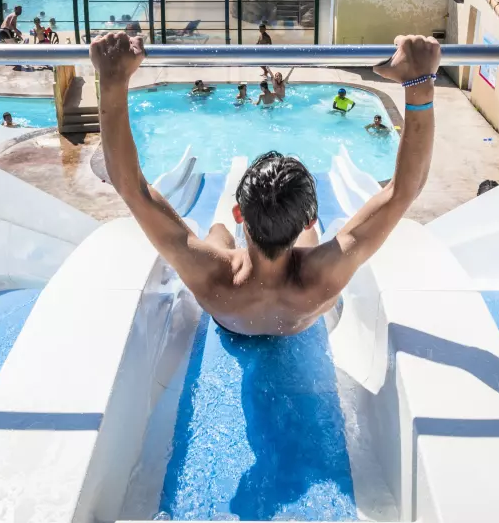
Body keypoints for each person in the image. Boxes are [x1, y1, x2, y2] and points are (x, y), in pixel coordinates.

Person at [94, 32, 438, 336]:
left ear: (239, 213)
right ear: (309, 219)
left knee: (217, 234)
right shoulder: (324, 274)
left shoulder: (209, 272)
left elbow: (132, 188)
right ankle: (274, 225)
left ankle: (225, 225)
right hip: (299, 316)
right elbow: (403, 191)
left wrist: (113, 79)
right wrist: (419, 83)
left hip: (229, 315)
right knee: (307, 243)